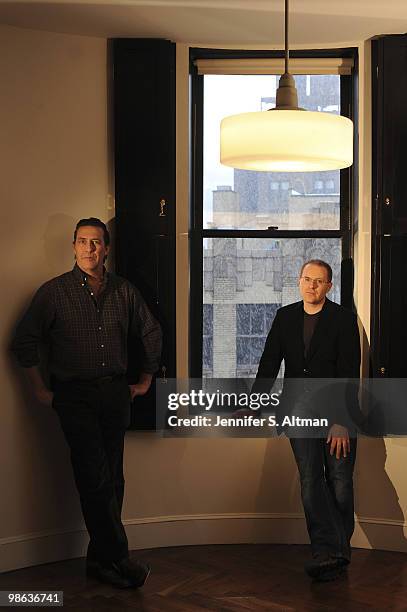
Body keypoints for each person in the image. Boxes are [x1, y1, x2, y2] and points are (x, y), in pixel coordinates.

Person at [12, 217, 162, 589]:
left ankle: (100, 563)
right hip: (73, 396)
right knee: (94, 478)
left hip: (115, 393)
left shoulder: (124, 291)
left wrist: (144, 380)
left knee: (114, 478)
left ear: (106, 248)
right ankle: (120, 558)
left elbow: (151, 331)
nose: (90, 249)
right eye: (83, 241)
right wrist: (39, 391)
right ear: (73, 246)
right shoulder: (53, 292)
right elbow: (24, 342)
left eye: (96, 242)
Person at [253, 259, 360, 582]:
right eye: (306, 279)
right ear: (299, 282)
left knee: (339, 482)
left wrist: (341, 421)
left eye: (319, 281)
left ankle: (338, 552)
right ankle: (326, 552)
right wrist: (254, 401)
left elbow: (349, 373)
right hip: (298, 410)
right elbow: (269, 361)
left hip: (337, 413)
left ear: (329, 286)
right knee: (312, 480)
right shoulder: (285, 317)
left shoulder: (343, 319)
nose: (311, 286)